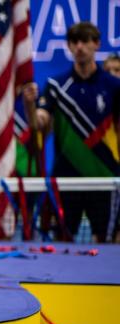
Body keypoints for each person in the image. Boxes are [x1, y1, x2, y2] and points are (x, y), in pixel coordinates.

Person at [33, 22, 120, 243]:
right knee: (63, 244)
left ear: (96, 44)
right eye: (75, 41)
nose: (80, 46)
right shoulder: (56, 86)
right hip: (66, 179)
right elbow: (39, 122)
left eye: (85, 41)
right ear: (70, 47)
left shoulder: (113, 86)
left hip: (105, 178)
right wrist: (28, 106)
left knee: (106, 245)